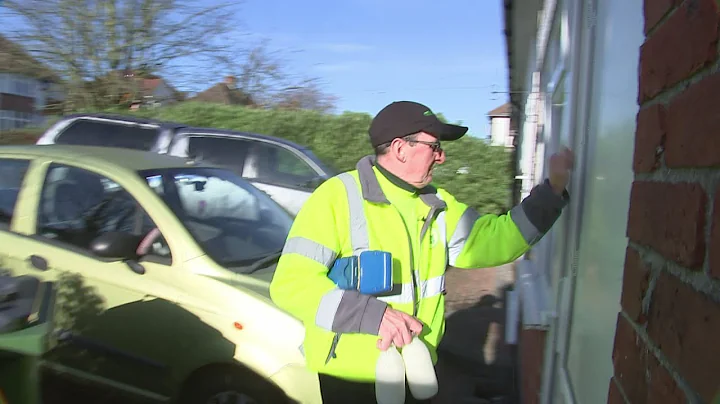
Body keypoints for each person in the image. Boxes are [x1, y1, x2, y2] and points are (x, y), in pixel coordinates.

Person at [269, 101, 574, 403]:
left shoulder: (438, 204)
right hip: (353, 379)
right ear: (401, 148)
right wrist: (374, 316)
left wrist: (552, 191)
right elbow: (291, 285)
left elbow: (496, 240)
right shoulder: (336, 198)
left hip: (418, 370)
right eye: (434, 147)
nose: (441, 157)